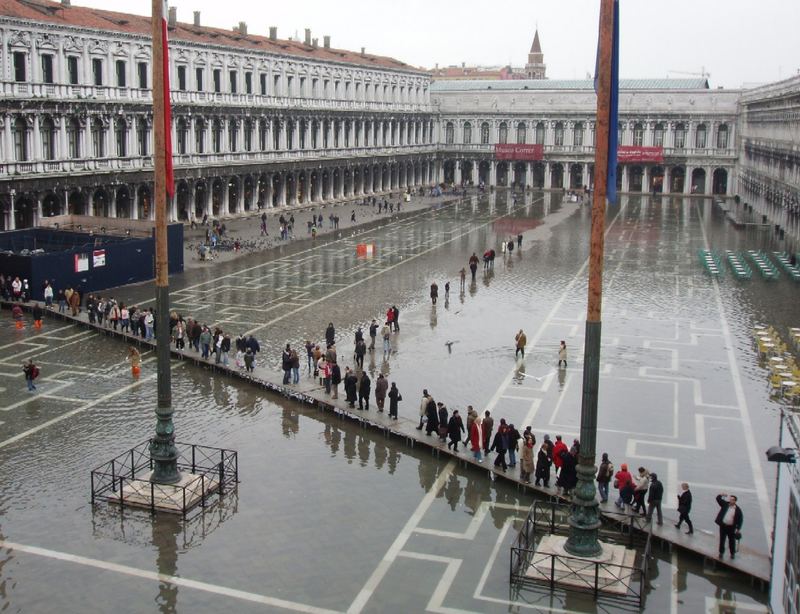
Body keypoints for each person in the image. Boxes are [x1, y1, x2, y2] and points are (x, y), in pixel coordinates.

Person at [715, 493, 743, 559]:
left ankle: (732, 553)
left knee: (731, 541)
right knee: (722, 540)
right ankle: (721, 553)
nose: (730, 501)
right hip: (723, 526)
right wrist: (721, 494)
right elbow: (718, 499)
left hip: (731, 528)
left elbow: (740, 520)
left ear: (735, 501)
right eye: (730, 499)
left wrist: (738, 529)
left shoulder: (738, 510)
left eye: (732, 500)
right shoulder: (725, 504)